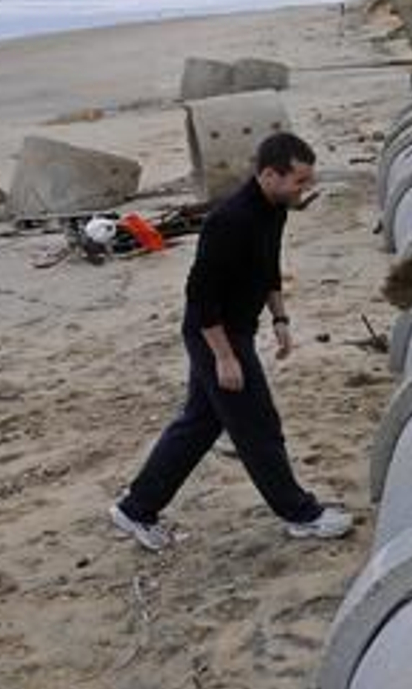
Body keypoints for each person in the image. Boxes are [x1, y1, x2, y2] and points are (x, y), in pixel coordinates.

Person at [108, 132, 352, 551]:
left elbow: (269, 266)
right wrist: (224, 357)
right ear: (270, 174)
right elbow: (199, 297)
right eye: (299, 181)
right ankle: (300, 514)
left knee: (199, 425)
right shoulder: (230, 220)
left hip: (238, 329)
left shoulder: (276, 208)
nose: (305, 189)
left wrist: (279, 317)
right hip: (213, 332)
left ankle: (136, 508)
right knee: (258, 427)